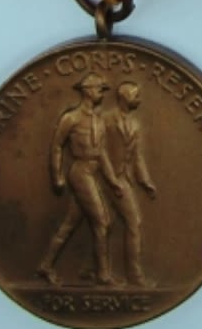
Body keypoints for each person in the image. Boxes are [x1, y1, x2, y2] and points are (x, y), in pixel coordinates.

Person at [37, 71, 124, 286]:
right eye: (99, 90)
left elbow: (102, 153)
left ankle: (46, 265)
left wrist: (112, 180)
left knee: (70, 224)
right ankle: (103, 274)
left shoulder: (99, 121)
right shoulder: (71, 118)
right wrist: (56, 175)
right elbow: (57, 146)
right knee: (103, 222)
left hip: (93, 173)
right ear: (87, 91)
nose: (102, 94)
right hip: (80, 172)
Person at [105, 80, 158, 287]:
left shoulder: (135, 124)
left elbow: (137, 156)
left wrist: (145, 181)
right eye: (136, 96)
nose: (139, 100)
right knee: (132, 223)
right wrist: (110, 179)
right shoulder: (105, 120)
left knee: (94, 224)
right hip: (104, 179)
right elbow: (98, 151)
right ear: (125, 98)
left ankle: (88, 269)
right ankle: (134, 276)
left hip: (123, 179)